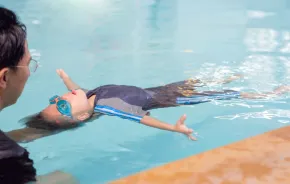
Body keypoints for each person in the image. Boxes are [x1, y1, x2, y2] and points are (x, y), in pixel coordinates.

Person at [7, 69, 290, 144]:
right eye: (63, 107)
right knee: (224, 94)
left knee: (201, 80)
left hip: (164, 88)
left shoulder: (88, 96)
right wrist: (174, 128)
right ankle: (268, 93)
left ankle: (235, 75)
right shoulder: (108, 106)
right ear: (82, 117)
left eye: (56, 100)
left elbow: (73, 91)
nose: (61, 98)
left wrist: (65, 78)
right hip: (169, 99)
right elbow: (142, 120)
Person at [0, 7, 78, 184]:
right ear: (4, 77)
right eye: (28, 64)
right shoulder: (9, 160)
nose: (28, 72)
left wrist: (41, 127)